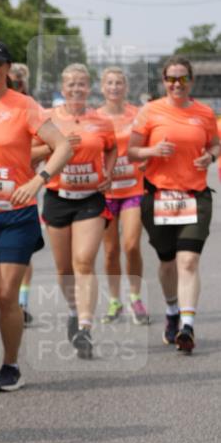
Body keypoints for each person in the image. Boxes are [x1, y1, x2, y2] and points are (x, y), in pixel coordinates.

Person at [0, 43, 71, 392]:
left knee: (6, 296)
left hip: (16, 216)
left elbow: (63, 146)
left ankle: (11, 363)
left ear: (7, 68)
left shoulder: (24, 105)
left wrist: (38, 180)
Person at [128, 56, 219, 353]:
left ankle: (187, 326)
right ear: (163, 81)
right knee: (167, 263)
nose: (176, 84)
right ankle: (171, 312)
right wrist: (153, 149)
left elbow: (215, 144)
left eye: (182, 78)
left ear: (191, 81)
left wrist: (211, 157)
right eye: (171, 79)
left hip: (195, 196)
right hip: (158, 197)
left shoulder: (204, 113)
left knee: (188, 261)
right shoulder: (149, 111)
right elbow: (131, 153)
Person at [39, 64, 117, 359]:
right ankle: (74, 310)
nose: (76, 89)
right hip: (58, 197)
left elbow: (111, 149)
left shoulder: (101, 120)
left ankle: (85, 326)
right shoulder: (48, 118)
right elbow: (30, 151)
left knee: (84, 261)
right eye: (70, 84)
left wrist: (108, 173)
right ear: (62, 86)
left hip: (90, 199)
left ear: (89, 88)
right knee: (64, 268)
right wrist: (55, 149)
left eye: (81, 84)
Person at [98, 67, 149, 325]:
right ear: (102, 87)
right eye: (110, 83)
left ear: (125, 87)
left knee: (131, 245)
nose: (115, 87)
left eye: (119, 83)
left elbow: (149, 142)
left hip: (133, 189)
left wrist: (146, 162)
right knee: (110, 251)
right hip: (106, 193)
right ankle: (115, 300)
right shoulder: (94, 117)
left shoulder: (138, 115)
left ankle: (135, 297)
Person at [9, 62, 36, 324]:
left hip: (22, 192)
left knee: (22, 256)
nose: (15, 84)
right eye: (12, 80)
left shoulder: (30, 106)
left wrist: (19, 155)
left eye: (19, 81)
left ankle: (22, 301)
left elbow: (47, 148)